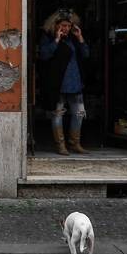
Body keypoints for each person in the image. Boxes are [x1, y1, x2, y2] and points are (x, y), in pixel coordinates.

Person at [38, 10, 90, 155]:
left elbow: (86, 55)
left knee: (79, 113)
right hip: (58, 84)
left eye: (68, 26)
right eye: (63, 25)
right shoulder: (48, 38)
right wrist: (56, 40)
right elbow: (44, 55)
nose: (66, 28)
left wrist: (80, 37)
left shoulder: (73, 39)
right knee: (57, 115)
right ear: (56, 25)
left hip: (75, 83)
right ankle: (60, 145)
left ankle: (75, 143)